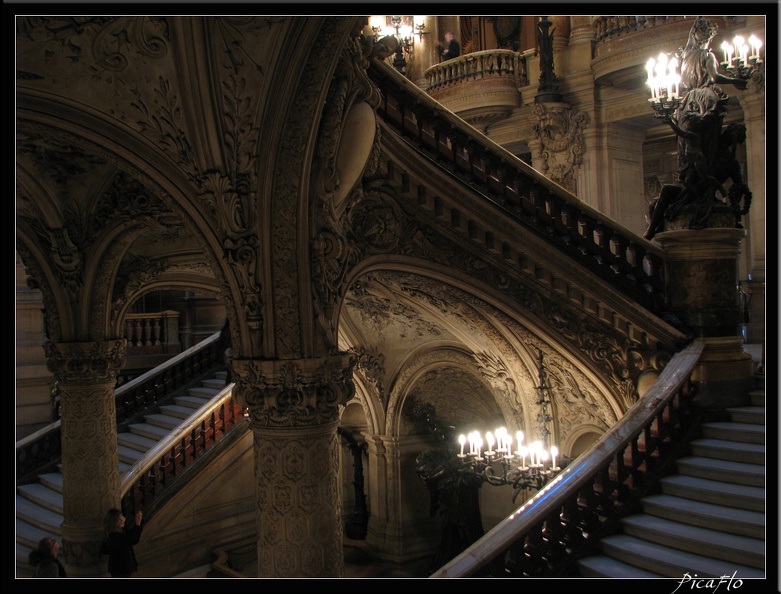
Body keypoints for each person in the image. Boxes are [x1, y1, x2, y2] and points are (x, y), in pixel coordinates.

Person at [101, 508, 144, 578]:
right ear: (113, 521)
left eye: (121, 517)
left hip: (123, 568)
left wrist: (138, 523)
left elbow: (132, 535)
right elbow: (132, 540)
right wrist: (138, 523)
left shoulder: (121, 531)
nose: (122, 520)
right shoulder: (113, 536)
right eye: (119, 519)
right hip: (120, 569)